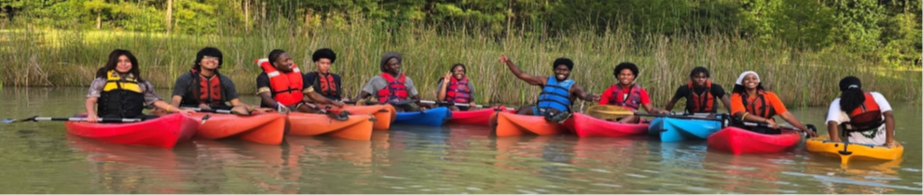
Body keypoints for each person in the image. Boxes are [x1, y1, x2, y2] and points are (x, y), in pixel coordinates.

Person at [85, 49, 194, 122]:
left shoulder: (142, 83)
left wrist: (179, 111)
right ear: (113, 63)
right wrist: (91, 114)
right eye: (119, 61)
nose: (123, 64)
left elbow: (156, 102)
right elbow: (91, 100)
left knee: (156, 119)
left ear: (132, 64)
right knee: (111, 117)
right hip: (108, 119)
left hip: (136, 119)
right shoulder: (102, 80)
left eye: (127, 61)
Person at [497, 55, 596, 122]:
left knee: (553, 112)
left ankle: (557, 119)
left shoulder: (573, 86)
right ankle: (514, 123)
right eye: (558, 69)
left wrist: (592, 97)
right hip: (540, 111)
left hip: (558, 114)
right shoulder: (544, 80)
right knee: (524, 109)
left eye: (565, 70)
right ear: (554, 70)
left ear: (569, 72)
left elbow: (584, 95)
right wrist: (508, 61)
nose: (561, 72)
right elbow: (521, 75)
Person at [170, 47, 265, 114]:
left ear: (219, 63)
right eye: (207, 57)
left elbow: (236, 103)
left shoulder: (225, 80)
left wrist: (253, 109)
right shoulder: (186, 78)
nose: (212, 60)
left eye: (216, 58)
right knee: (203, 106)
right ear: (199, 62)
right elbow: (176, 100)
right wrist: (172, 111)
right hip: (192, 108)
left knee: (241, 109)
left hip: (218, 109)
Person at [729, 71, 816, 137]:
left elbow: (786, 115)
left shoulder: (770, 95)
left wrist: (805, 129)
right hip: (745, 126)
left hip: (767, 127)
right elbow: (741, 114)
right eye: (747, 79)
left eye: (754, 78)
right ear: (742, 82)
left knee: (761, 130)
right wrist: (765, 120)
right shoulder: (736, 96)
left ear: (758, 81)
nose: (751, 80)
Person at [256, 49, 345, 113]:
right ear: (276, 64)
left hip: (296, 105)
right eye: (285, 61)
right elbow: (266, 97)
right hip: (275, 108)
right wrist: (279, 107)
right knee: (292, 109)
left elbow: (313, 95)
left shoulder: (299, 74)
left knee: (317, 112)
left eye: (290, 59)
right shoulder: (264, 77)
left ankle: (320, 116)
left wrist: (332, 102)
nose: (290, 62)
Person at [825, 76, 895, 146]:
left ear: (841, 90)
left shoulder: (837, 103)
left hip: (856, 144)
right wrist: (889, 142)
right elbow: (889, 115)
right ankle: (889, 141)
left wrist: (834, 145)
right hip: (882, 141)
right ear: (860, 87)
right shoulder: (876, 96)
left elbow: (831, 123)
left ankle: (836, 142)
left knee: (828, 116)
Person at [356, 51, 428, 111]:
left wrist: (430, 105)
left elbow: (417, 100)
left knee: (415, 109)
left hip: (402, 107)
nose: (397, 66)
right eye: (393, 64)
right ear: (386, 67)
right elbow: (362, 95)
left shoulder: (407, 80)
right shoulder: (377, 80)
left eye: (397, 64)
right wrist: (357, 104)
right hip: (384, 108)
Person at [598, 62, 663, 123]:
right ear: (618, 76)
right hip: (613, 117)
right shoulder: (610, 90)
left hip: (630, 118)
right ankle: (613, 125)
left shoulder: (641, 92)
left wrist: (658, 112)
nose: (625, 77)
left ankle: (618, 125)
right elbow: (600, 108)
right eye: (623, 74)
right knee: (602, 116)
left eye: (629, 75)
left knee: (634, 114)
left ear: (633, 77)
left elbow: (650, 109)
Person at [663, 66, 732, 114]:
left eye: (703, 77)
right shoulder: (684, 89)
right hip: (693, 117)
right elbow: (672, 102)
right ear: (692, 78)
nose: (700, 79)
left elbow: (728, 104)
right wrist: (665, 112)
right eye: (697, 77)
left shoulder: (715, 88)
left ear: (707, 78)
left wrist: (733, 115)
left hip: (711, 117)